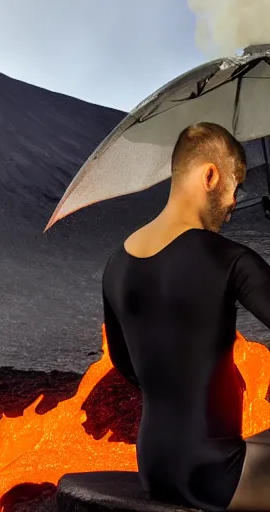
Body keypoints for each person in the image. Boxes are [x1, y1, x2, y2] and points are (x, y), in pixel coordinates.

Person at [102, 122, 270, 511]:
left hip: (156, 466)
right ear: (211, 175)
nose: (233, 205)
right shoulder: (227, 259)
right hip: (219, 477)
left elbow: (126, 367)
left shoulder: (117, 263)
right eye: (236, 185)